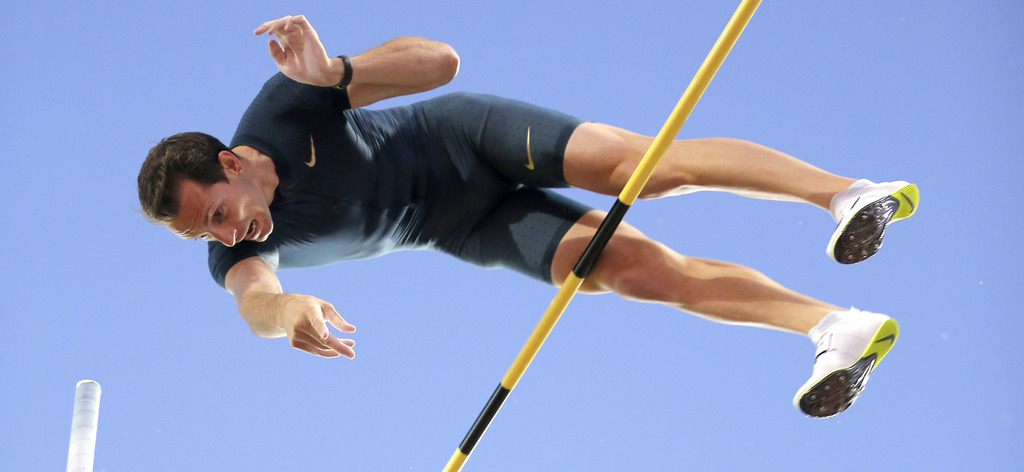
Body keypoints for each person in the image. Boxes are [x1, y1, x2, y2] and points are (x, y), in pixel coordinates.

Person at [137, 15, 919, 418]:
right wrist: (288, 309)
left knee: (642, 169)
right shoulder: (234, 257)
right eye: (203, 234)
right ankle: (833, 326)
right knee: (636, 272)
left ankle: (847, 193)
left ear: (232, 164)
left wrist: (338, 71)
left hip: (461, 139)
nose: (224, 233)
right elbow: (255, 305)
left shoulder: (286, 105)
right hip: (461, 227)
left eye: (216, 211)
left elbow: (441, 62)